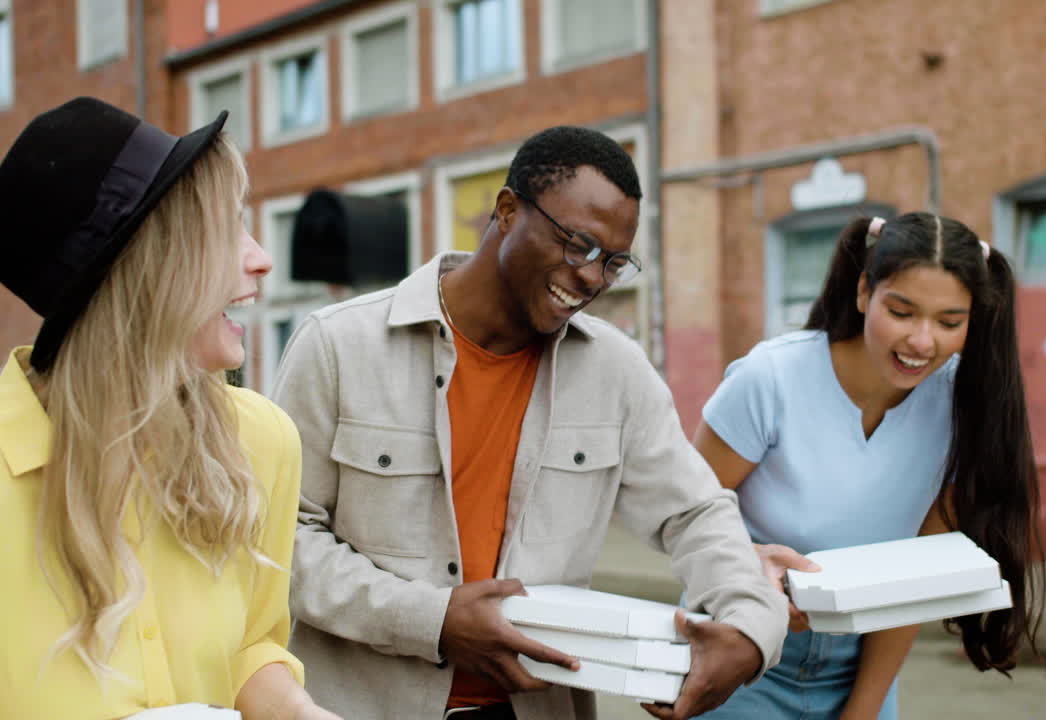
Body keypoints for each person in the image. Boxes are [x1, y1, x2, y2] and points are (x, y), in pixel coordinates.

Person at [272, 125, 788, 720]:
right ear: (508, 210)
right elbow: (280, 543)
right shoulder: (338, 346)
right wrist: (432, 622)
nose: (593, 277)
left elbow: (697, 513)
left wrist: (751, 630)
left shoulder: (616, 372)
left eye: (614, 262)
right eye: (579, 246)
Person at [0, 97, 338, 720]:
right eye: (222, 230)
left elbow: (253, 644)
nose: (261, 258)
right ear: (143, 271)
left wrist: (300, 713)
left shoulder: (262, 438)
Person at [691, 213, 1045, 719]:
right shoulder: (769, 379)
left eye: (950, 322)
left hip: (858, 667)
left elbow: (910, 583)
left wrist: (863, 709)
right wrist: (750, 572)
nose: (923, 342)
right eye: (902, 312)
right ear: (863, 293)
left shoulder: (963, 407)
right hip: (738, 654)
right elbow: (685, 521)